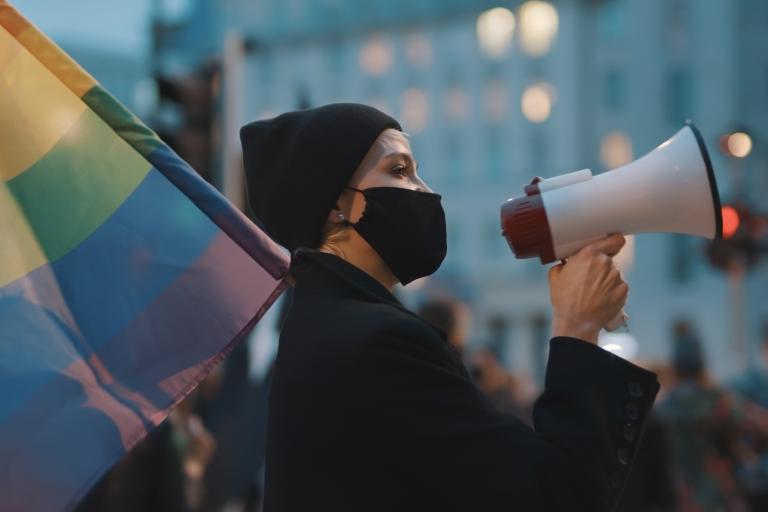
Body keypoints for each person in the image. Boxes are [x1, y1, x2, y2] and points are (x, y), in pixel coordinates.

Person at [240, 103, 660, 511]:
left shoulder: (325, 326)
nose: (425, 191)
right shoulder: (378, 344)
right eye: (399, 170)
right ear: (335, 205)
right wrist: (577, 327)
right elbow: (551, 494)